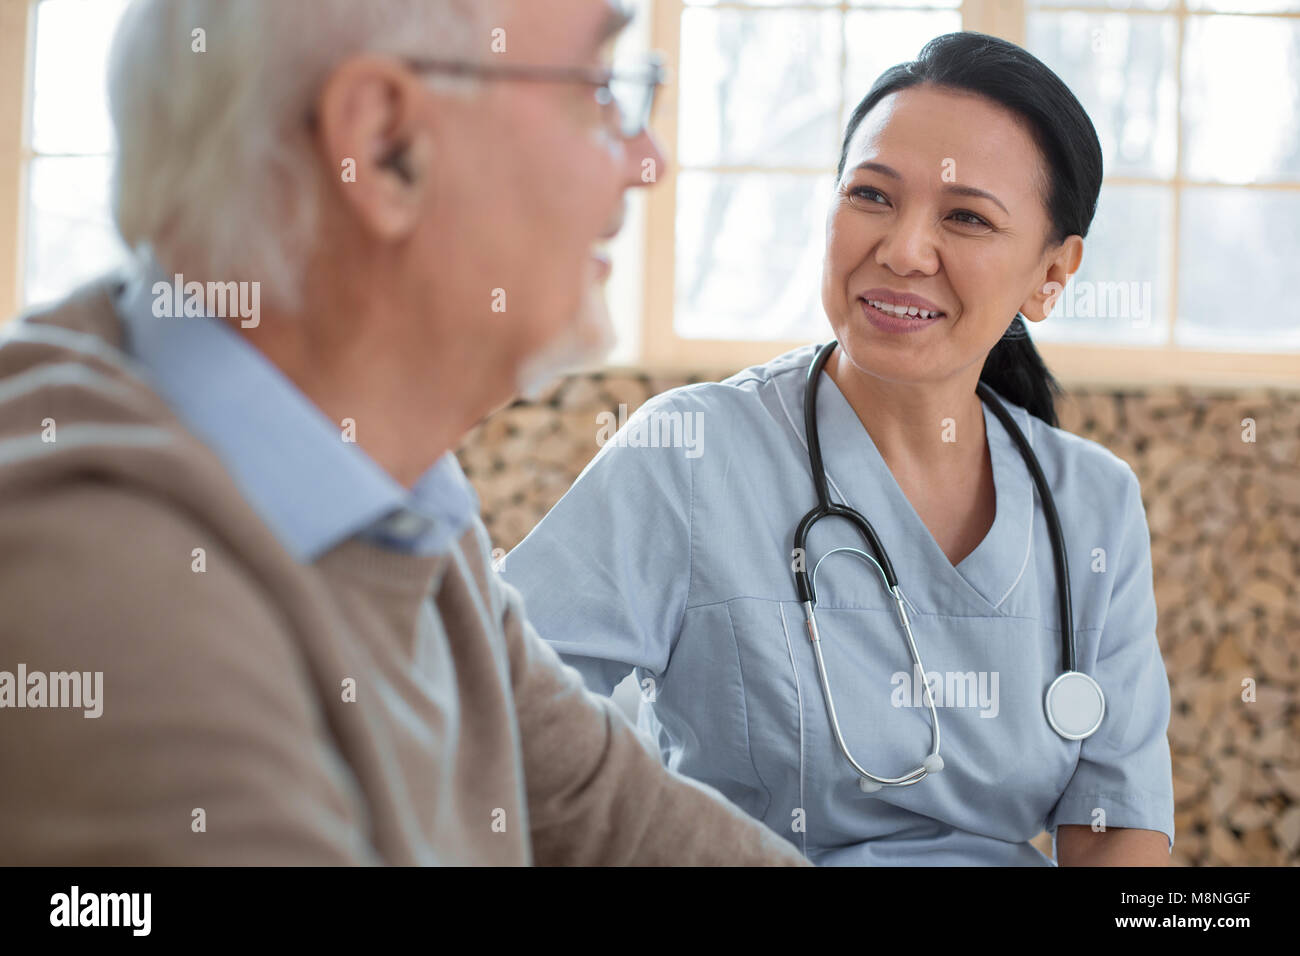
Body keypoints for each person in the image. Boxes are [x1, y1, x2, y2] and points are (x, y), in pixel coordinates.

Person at [0, 0, 810, 866]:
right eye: (600, 89)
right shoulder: (108, 606)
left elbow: (612, 815)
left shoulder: (395, 495)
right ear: (387, 147)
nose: (648, 163)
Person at [502, 31, 1175, 866]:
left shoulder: (1093, 502)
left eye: (965, 217)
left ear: (1052, 274)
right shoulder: (692, 454)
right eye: (872, 196)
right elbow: (496, 709)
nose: (901, 250)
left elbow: (1117, 824)